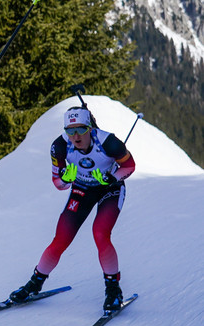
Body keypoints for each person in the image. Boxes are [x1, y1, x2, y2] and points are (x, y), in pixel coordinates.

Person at [9, 105, 136, 311]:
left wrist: (111, 178)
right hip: (82, 188)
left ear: (90, 128)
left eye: (80, 130)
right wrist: (66, 180)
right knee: (61, 239)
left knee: (101, 234)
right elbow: (58, 184)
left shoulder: (108, 142)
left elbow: (130, 166)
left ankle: (113, 290)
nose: (75, 137)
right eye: (70, 131)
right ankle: (35, 284)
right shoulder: (59, 146)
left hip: (109, 189)